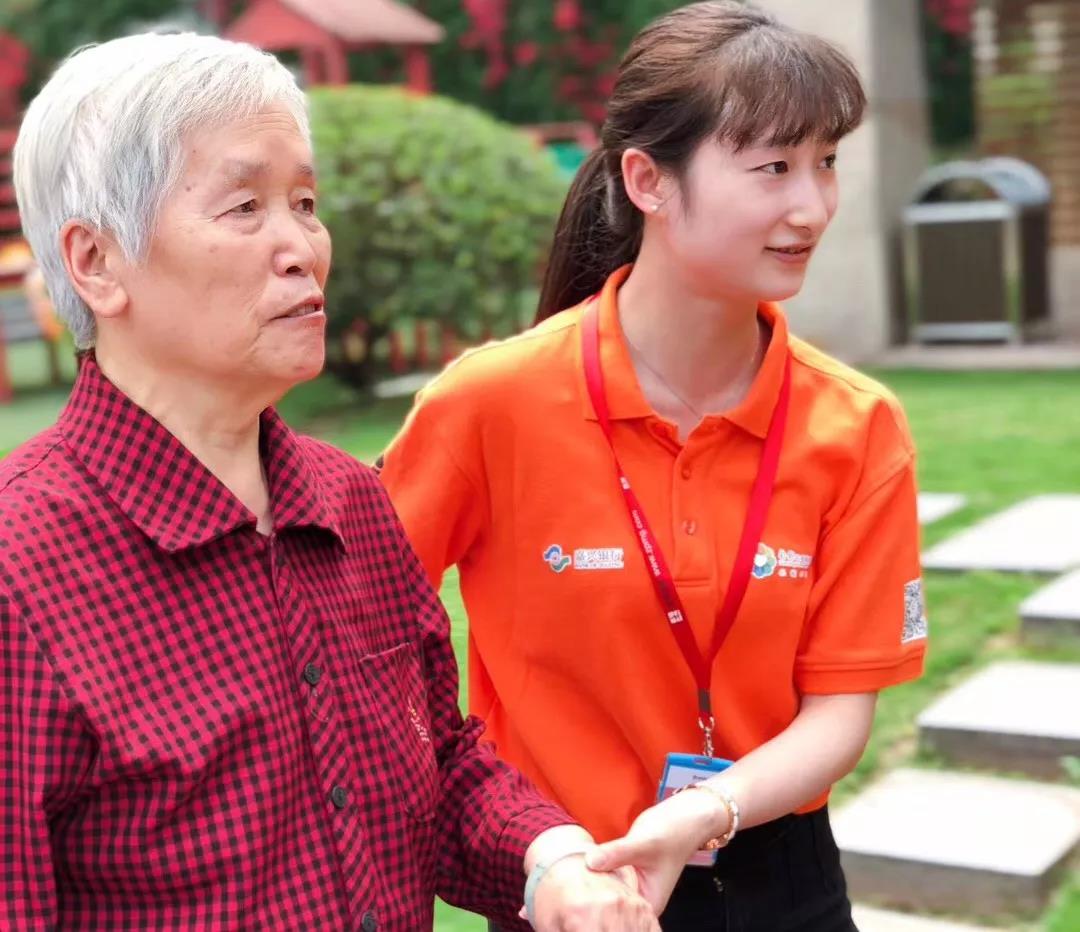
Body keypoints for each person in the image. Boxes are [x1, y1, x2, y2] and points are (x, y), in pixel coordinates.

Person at [1, 33, 662, 931]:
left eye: (305, 203)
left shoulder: (350, 502)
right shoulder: (23, 573)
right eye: (245, 207)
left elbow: (439, 764)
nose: (302, 248)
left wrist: (550, 862)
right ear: (96, 263)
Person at [378, 3, 929, 929]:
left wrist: (701, 813)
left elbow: (840, 715)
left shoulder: (857, 425)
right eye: (774, 168)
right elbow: (359, 629)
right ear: (648, 180)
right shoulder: (489, 404)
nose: (813, 206)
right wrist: (525, 843)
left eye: (827, 161)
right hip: (571, 882)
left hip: (781, 876)